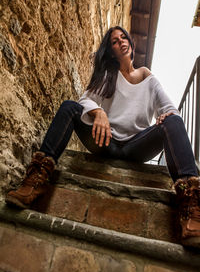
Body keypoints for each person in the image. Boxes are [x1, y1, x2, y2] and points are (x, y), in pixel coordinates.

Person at [6, 26, 200, 248]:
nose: (121, 41)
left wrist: (166, 116)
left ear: (130, 42)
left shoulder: (148, 77)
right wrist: (99, 112)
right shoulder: (108, 74)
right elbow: (85, 100)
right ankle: (36, 179)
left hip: (136, 147)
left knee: (174, 121)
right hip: (105, 141)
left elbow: (171, 109)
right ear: (111, 50)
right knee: (69, 107)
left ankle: (190, 205)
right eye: (115, 41)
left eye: (123, 37)